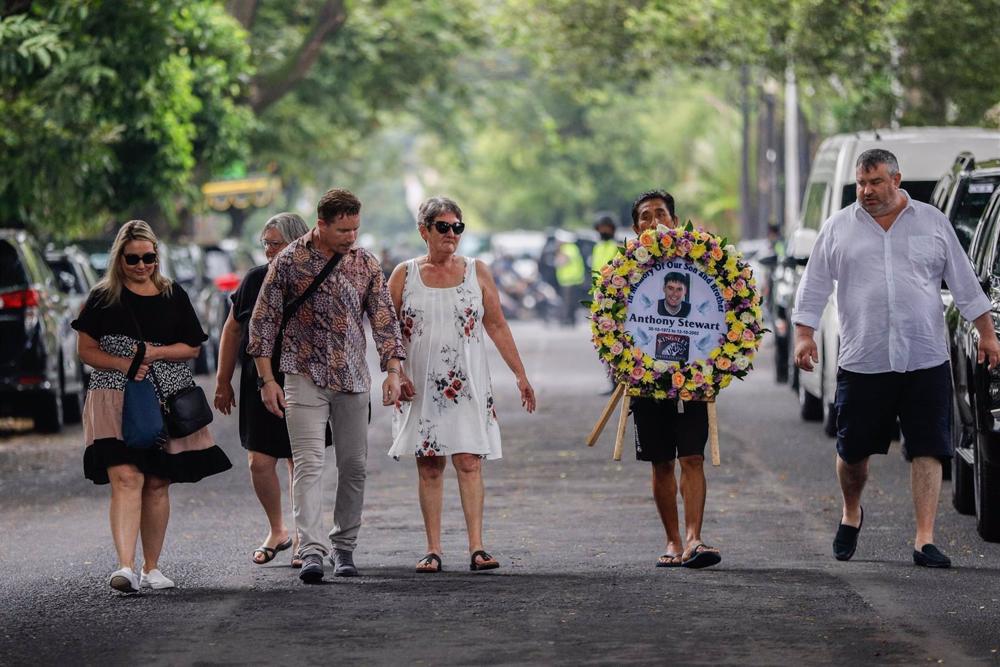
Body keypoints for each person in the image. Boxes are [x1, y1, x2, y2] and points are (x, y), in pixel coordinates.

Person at [793, 149, 1000, 569]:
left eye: (875, 183)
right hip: (863, 358)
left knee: (928, 447)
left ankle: (924, 538)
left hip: (924, 356)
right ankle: (852, 512)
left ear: (896, 180)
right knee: (852, 453)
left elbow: (963, 279)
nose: (866, 191)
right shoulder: (838, 228)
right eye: (861, 184)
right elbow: (813, 285)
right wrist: (803, 335)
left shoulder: (931, 222)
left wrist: (987, 333)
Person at [247, 188, 406, 584]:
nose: (350, 237)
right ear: (321, 223)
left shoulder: (365, 262)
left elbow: (384, 319)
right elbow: (262, 322)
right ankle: (312, 549)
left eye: (355, 228)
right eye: (342, 230)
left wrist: (393, 371)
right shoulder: (289, 261)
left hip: (352, 378)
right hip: (303, 375)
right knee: (308, 465)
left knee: (353, 466)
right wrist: (267, 380)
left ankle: (344, 546)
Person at [73, 220, 232, 593]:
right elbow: (85, 350)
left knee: (158, 481)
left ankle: (152, 567)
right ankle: (125, 566)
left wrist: (154, 353)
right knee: (126, 477)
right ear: (119, 258)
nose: (143, 265)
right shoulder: (102, 297)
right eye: (134, 259)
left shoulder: (173, 294)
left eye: (149, 257)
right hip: (114, 395)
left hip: (166, 396)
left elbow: (193, 346)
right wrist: (125, 364)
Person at [387, 196, 536, 573]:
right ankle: (433, 549)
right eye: (443, 227)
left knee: (469, 461)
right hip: (418, 382)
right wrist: (394, 371)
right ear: (424, 231)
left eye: (457, 227)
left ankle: (477, 547)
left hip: (466, 382)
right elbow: (385, 330)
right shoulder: (404, 275)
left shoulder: (477, 271)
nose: (451, 234)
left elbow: (497, 324)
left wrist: (520, 374)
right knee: (431, 465)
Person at [214, 212, 329, 569]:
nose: (268, 251)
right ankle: (277, 530)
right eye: (265, 244)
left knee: (301, 461)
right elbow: (233, 330)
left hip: (303, 378)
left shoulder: (315, 276)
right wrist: (222, 381)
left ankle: (304, 538)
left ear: (296, 242)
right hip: (258, 380)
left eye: (275, 243)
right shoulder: (254, 280)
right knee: (259, 461)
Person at [628, 190, 721, 569]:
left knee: (693, 457)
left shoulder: (699, 260)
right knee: (662, 462)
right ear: (636, 227)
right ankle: (672, 540)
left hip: (693, 377)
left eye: (661, 214)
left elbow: (721, 309)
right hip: (645, 379)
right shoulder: (625, 269)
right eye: (646, 216)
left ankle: (695, 539)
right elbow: (614, 323)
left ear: (674, 219)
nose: (654, 222)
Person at [554, 231, 585, 326]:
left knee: (568, 302)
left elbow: (562, 261)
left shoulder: (567, 249)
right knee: (572, 302)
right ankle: (571, 319)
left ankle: (567, 319)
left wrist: (558, 254)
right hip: (573, 280)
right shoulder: (573, 248)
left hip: (569, 280)